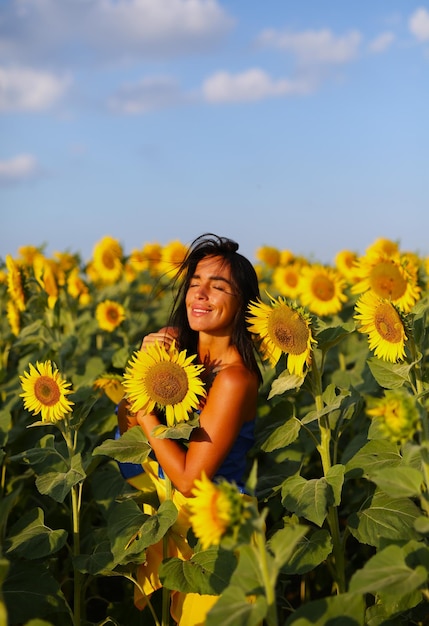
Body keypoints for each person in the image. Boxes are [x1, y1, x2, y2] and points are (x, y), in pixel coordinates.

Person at [116, 233, 262, 624]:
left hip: (215, 534)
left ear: (243, 304)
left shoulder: (234, 379)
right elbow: (125, 424)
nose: (200, 294)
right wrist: (147, 373)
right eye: (195, 283)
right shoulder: (180, 358)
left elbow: (188, 479)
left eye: (217, 287)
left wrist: (147, 412)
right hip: (170, 521)